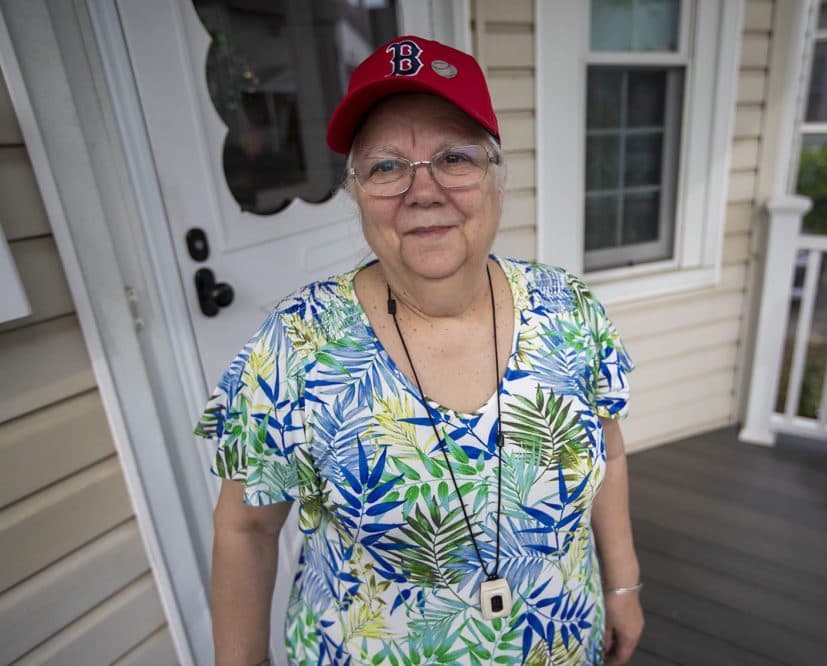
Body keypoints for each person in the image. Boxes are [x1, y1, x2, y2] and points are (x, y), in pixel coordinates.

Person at [198, 35, 644, 666]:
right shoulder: (297, 343)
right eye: (386, 167)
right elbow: (245, 527)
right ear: (357, 193)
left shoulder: (569, 309)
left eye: (453, 158)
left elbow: (611, 453)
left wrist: (622, 585)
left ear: (495, 176)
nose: (423, 190)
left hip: (563, 644)